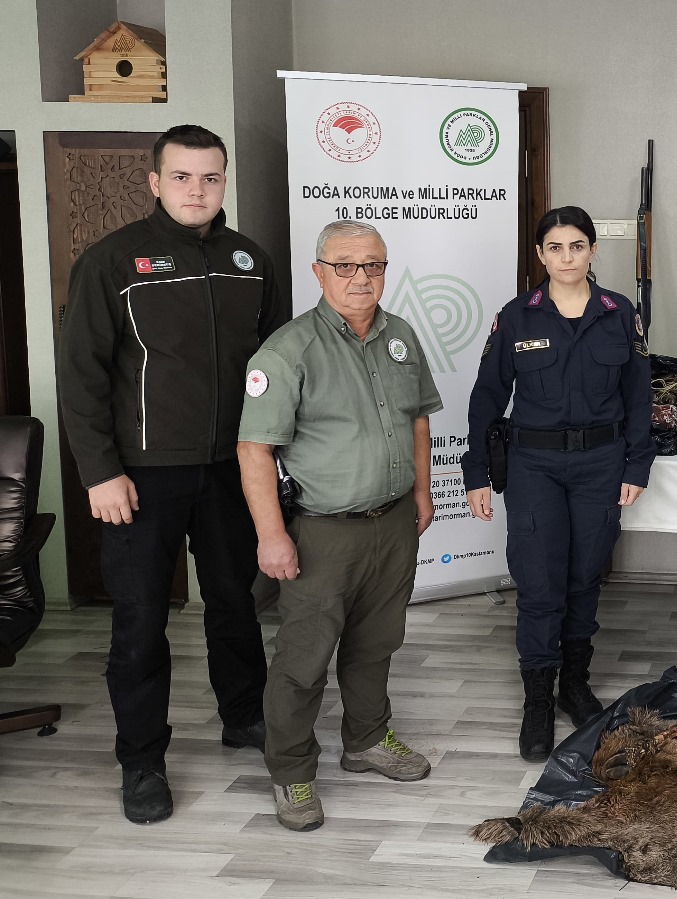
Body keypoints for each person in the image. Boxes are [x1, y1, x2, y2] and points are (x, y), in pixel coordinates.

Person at [57, 124, 287, 825]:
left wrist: (273, 456)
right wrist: (99, 473)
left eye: (210, 177)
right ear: (154, 181)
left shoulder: (250, 258)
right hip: (141, 479)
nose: (197, 190)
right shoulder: (112, 261)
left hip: (231, 470)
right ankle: (142, 759)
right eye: (182, 177)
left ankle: (244, 716)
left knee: (234, 605)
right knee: (140, 623)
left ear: (224, 181)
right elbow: (81, 377)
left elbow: (276, 366)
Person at [235, 220, 441, 832]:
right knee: (303, 660)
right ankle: (293, 774)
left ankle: (367, 741)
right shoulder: (286, 351)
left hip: (394, 521)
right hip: (321, 532)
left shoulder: (400, 335)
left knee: (377, 643)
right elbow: (255, 450)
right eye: (345, 265)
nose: (361, 277)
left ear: (386, 269)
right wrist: (272, 536)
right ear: (319, 271)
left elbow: (418, 420)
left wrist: (423, 492)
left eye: (372, 265)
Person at [462, 205, 654, 763]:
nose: (566, 257)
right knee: (540, 584)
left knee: (584, 578)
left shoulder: (620, 315)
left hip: (601, 464)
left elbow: (638, 396)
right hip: (534, 467)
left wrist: (635, 466)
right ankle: (538, 702)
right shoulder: (517, 317)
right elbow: (486, 398)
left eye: (577, 246)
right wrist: (476, 471)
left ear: (593, 251)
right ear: (540, 255)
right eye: (555, 247)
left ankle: (575, 683)